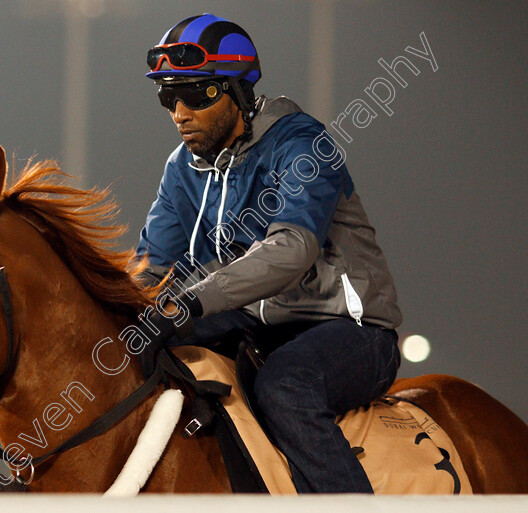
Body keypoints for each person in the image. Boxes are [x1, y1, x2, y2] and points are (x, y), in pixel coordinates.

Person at [132, 13, 403, 493]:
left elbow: (293, 248)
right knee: (137, 347)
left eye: (197, 95)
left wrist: (194, 299)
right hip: (255, 323)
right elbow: (150, 268)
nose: (180, 112)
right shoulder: (181, 168)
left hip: (348, 329)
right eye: (168, 97)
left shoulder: (303, 144)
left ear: (238, 93)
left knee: (284, 387)